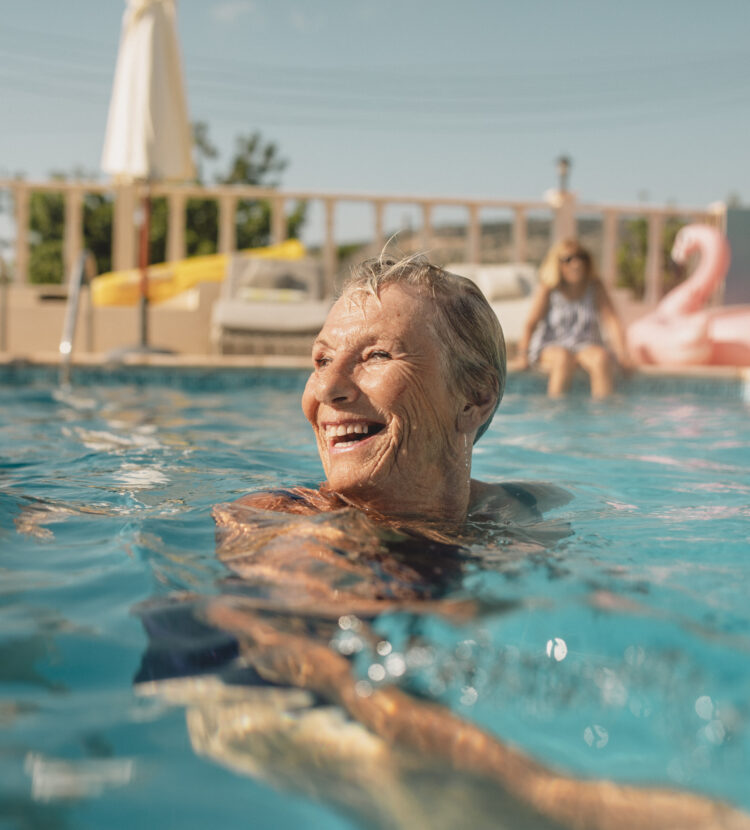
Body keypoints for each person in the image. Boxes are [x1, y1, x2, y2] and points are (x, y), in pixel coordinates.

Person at [137, 254, 748, 830]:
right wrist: (555, 793)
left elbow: (623, 624)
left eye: (374, 355)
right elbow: (310, 664)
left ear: (474, 397)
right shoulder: (285, 520)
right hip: (248, 697)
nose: (328, 390)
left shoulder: (518, 511)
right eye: (321, 360)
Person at [512, 239, 632, 398]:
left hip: (586, 345)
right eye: (568, 259)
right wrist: (522, 356)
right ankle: (556, 412)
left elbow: (612, 320)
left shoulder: (595, 287)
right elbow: (531, 324)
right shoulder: (548, 288)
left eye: (581, 257)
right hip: (551, 346)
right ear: (557, 264)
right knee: (563, 358)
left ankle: (604, 415)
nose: (576, 264)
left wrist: (623, 354)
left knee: (601, 358)